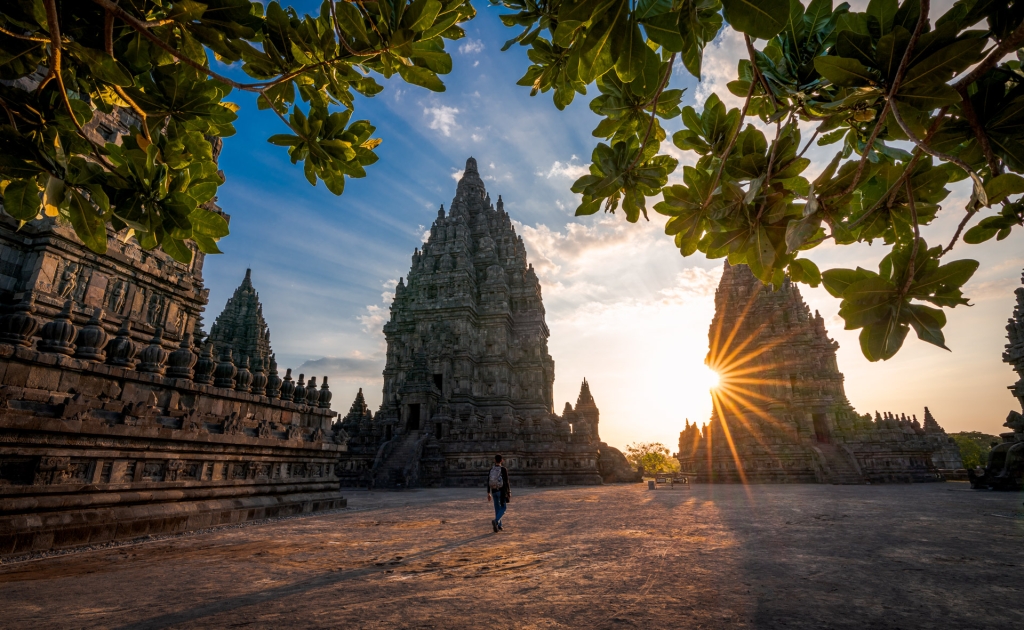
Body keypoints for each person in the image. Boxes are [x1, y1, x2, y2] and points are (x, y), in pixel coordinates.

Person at [486, 454, 510, 533]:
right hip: (501, 491)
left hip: (494, 491)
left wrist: (488, 493)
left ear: (494, 460)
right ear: (502, 460)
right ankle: (496, 521)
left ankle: (499, 525)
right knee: (503, 508)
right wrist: (508, 492)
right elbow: (506, 482)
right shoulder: (503, 469)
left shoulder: (491, 469)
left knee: (497, 509)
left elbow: (488, 481)